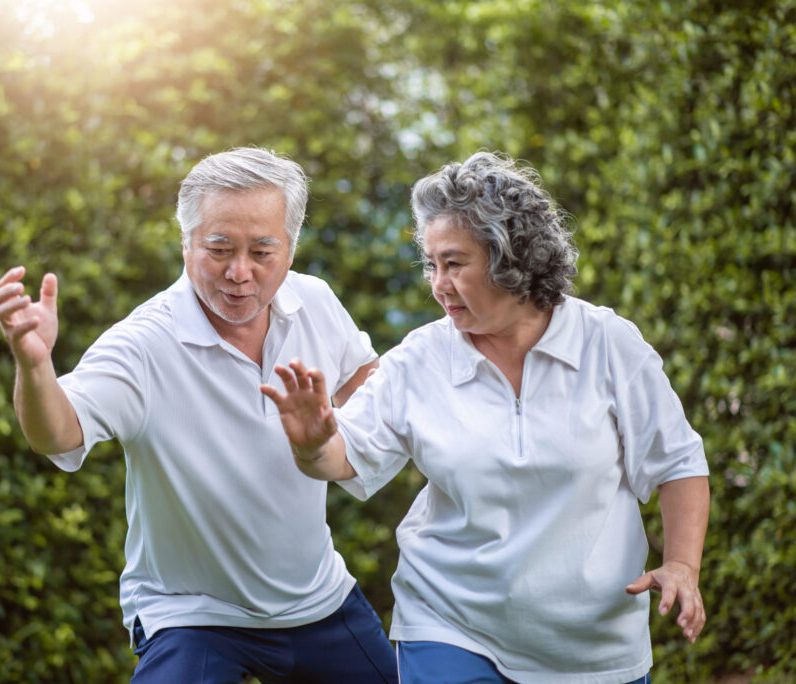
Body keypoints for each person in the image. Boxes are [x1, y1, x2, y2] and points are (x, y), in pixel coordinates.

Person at [261, 151, 710, 684]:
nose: (438, 284)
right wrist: (313, 442)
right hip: (450, 625)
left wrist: (683, 564)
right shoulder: (420, 358)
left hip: (591, 646)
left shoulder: (608, 345)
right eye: (431, 264)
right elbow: (344, 456)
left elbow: (677, 463)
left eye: (454, 263)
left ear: (511, 259)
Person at [0, 147, 398, 684]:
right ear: (185, 245)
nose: (239, 272)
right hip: (192, 614)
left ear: (291, 249)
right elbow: (57, 432)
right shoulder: (144, 344)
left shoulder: (314, 302)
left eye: (262, 251)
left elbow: (363, 375)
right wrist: (35, 364)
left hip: (316, 599)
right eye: (219, 248)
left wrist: (331, 428)